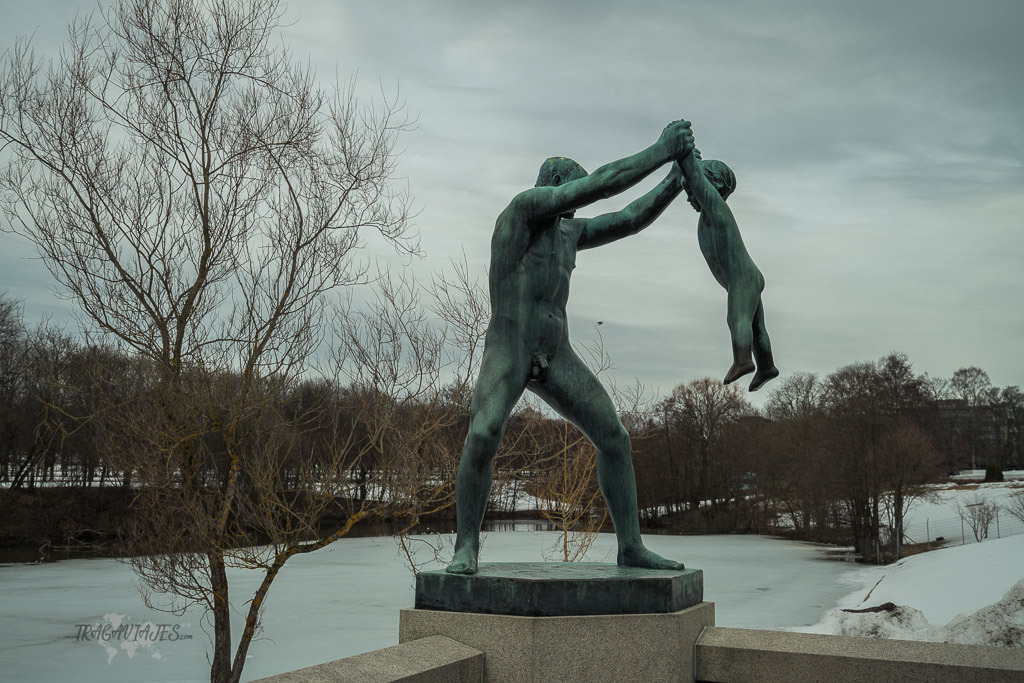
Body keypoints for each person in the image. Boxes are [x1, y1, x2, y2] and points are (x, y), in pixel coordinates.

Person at [446, 120, 694, 574]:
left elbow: (629, 219)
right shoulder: (521, 212)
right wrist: (662, 149)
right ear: (557, 185)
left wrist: (678, 177)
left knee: (614, 438)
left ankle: (630, 547)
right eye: (574, 191)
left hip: (555, 353)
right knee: (482, 434)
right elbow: (601, 187)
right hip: (511, 345)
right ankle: (466, 547)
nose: (578, 204)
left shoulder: (569, 236)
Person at [679, 143, 779, 392]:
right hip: (747, 278)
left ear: (712, 187)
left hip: (742, 279)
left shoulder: (715, 209)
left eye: (692, 191)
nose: (690, 197)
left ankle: (743, 360)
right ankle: (766, 366)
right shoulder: (707, 217)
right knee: (756, 327)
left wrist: (683, 155)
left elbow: (694, 176)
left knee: (737, 317)